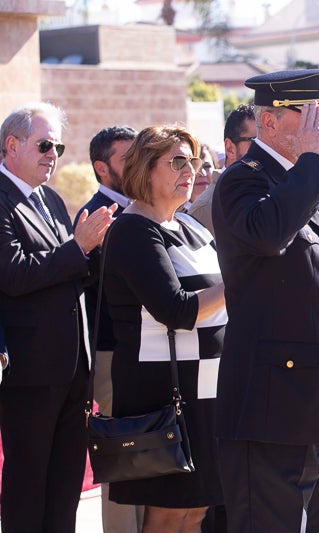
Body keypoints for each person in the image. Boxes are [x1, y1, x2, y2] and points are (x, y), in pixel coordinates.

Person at [212, 69, 319, 532]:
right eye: (312, 117)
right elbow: (268, 234)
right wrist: (314, 167)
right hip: (274, 407)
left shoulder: (305, 182)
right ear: (269, 123)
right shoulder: (243, 180)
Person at [101, 125, 226, 532]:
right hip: (164, 394)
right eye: (176, 161)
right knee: (169, 511)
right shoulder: (133, 230)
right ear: (144, 169)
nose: (189, 170)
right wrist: (241, 282)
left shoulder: (190, 226)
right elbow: (176, 310)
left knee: (198, 509)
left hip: (208, 392)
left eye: (192, 161)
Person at [0, 102, 116, 532]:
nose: (53, 154)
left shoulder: (49, 198)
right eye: (44, 144)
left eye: (58, 147)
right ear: (12, 145)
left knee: (66, 486)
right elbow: (13, 275)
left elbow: (68, 273)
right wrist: (78, 248)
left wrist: (98, 250)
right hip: (30, 371)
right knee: (28, 486)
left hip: (72, 367)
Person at [80, 124, 144, 532]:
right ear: (102, 169)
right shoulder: (97, 215)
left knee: (148, 455)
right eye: (126, 158)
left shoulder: (139, 209)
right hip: (111, 352)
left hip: (141, 350)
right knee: (123, 459)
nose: (137, 163)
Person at [188, 104, 256, 235]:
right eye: (255, 142)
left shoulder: (272, 188)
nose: (264, 150)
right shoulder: (206, 208)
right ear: (230, 148)